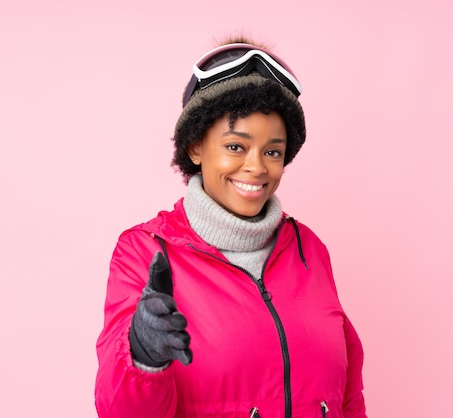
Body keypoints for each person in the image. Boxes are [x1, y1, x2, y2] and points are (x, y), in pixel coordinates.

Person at [95, 37, 367, 418]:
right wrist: (142, 352)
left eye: (273, 151)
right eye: (236, 147)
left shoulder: (309, 249)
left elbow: (349, 395)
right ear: (195, 147)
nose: (257, 167)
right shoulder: (144, 252)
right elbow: (119, 412)